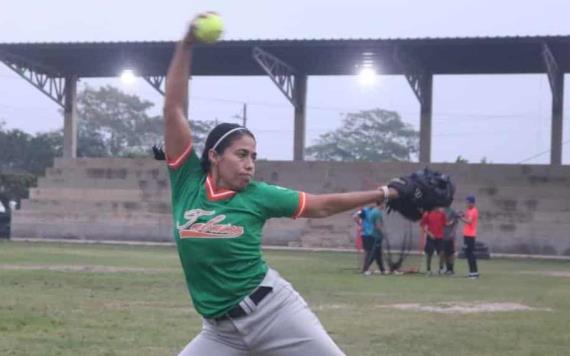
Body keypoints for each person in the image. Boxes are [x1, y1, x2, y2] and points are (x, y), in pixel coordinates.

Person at [163, 13, 399, 355]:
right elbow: (173, 110)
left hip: (274, 313)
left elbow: (321, 206)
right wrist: (185, 45)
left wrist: (383, 193)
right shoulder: (187, 182)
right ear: (214, 155)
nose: (249, 164)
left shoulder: (260, 196)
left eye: (254, 156)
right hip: (219, 333)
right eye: (241, 154)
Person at [360, 202, 386, 276]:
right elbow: (377, 226)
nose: (384, 206)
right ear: (381, 204)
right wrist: (382, 233)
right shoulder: (377, 213)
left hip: (373, 235)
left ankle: (382, 270)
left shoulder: (373, 211)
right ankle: (365, 269)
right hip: (375, 236)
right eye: (384, 204)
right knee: (372, 253)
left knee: (377, 254)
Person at [420, 208, 446, 275]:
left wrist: (453, 221)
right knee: (429, 254)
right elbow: (423, 225)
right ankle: (428, 270)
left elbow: (444, 224)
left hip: (440, 237)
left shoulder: (442, 214)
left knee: (442, 253)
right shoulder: (427, 213)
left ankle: (441, 269)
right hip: (431, 237)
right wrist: (429, 233)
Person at [460, 195, 480, 279]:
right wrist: (462, 214)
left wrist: (460, 218)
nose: (467, 204)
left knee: (470, 254)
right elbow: (466, 217)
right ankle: (472, 272)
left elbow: (469, 221)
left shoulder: (474, 211)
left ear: (472, 203)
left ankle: (474, 273)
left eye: (468, 202)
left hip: (470, 235)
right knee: (468, 254)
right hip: (466, 235)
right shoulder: (469, 210)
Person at [442, 206, 460, 275]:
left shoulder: (453, 211)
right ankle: (447, 268)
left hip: (450, 236)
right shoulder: (442, 211)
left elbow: (455, 224)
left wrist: (452, 233)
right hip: (443, 236)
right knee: (445, 253)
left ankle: (451, 269)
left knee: (451, 253)